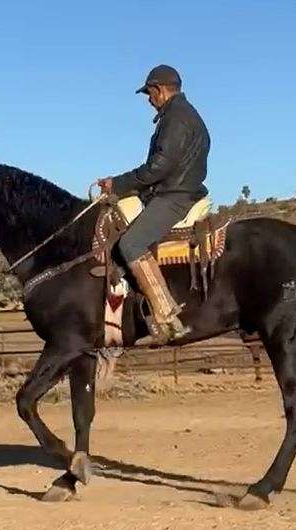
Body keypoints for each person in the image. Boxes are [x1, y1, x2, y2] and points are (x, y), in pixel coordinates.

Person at [97, 64, 211, 344]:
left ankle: (166, 316)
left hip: (174, 196)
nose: (149, 100)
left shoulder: (176, 119)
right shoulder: (183, 115)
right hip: (176, 190)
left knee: (130, 244)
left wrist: (118, 183)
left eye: (149, 93)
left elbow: (157, 168)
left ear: (159, 90)